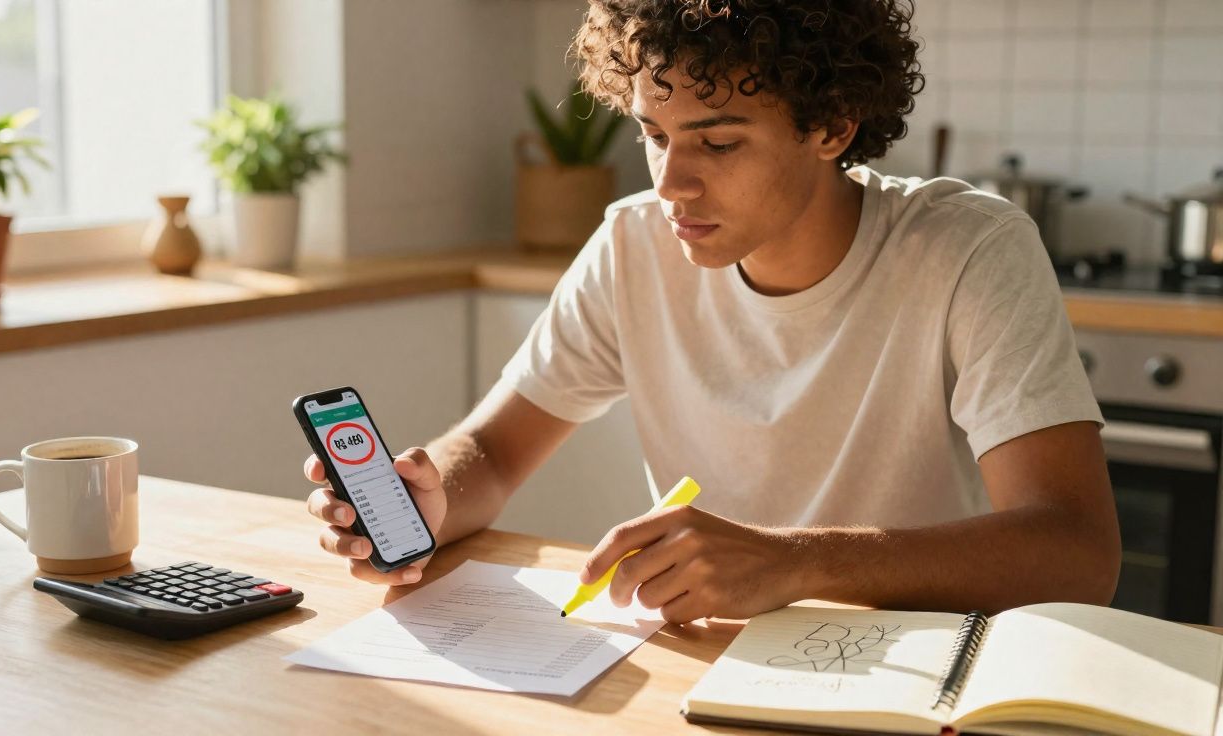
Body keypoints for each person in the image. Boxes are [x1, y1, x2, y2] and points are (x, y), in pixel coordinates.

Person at [304, 0, 1120, 623]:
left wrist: (796, 562)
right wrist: (429, 496)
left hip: (915, 677)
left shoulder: (970, 251)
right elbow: (494, 449)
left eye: (719, 143)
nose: (670, 184)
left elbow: (1076, 551)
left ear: (833, 126)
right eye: (653, 134)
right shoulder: (633, 244)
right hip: (709, 665)